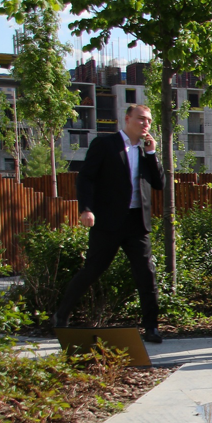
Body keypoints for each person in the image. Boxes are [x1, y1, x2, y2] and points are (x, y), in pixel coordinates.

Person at [53, 104, 165, 343]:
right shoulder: (105, 145)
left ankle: (152, 327)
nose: (145, 124)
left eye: (148, 120)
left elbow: (159, 184)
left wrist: (152, 153)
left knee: (146, 275)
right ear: (127, 119)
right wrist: (86, 209)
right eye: (141, 119)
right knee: (92, 270)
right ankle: (61, 316)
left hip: (137, 223)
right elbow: (86, 178)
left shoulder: (145, 150)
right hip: (108, 221)